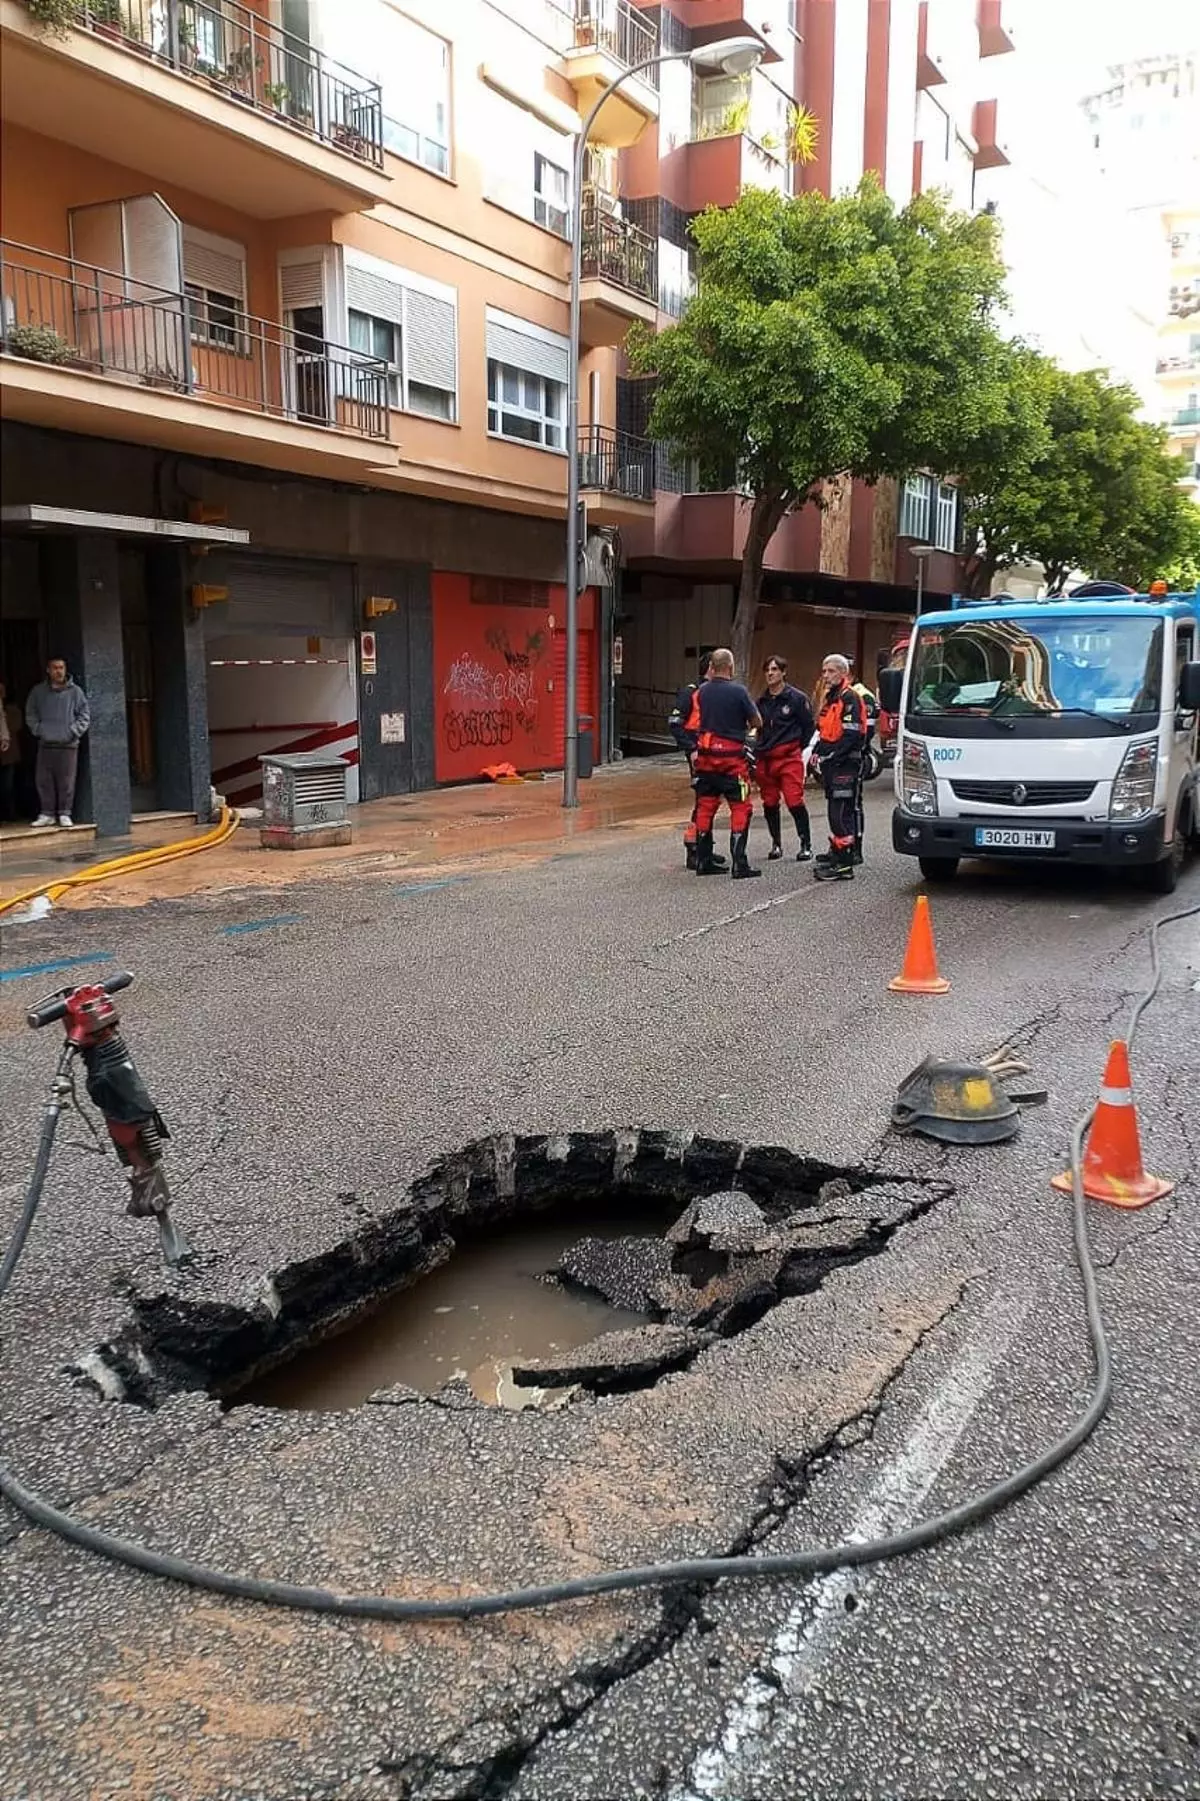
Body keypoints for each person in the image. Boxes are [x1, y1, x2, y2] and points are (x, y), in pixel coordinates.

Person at [686, 647, 762, 879]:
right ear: (730, 667)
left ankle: (703, 861)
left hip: (706, 759)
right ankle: (739, 864)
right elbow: (756, 719)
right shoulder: (738, 691)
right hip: (732, 761)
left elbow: (692, 722)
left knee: (706, 806)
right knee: (741, 807)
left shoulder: (702, 691)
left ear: (711, 667)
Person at [811, 653, 867, 883]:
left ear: (843, 673)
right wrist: (817, 751)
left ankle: (845, 864)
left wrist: (833, 755)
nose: (826, 676)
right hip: (833, 764)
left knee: (841, 813)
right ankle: (838, 854)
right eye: (824, 671)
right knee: (835, 812)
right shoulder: (831, 698)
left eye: (831, 671)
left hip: (845, 764)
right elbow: (825, 731)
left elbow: (852, 734)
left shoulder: (850, 697)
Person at [668, 651, 724, 870]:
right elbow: (675, 723)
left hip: (715, 754)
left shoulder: (715, 693)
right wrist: (691, 749)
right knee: (704, 801)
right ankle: (694, 848)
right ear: (710, 667)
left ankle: (704, 847)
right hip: (699, 755)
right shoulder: (691, 693)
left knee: (711, 800)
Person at [755, 655, 814, 861]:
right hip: (766, 759)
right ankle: (776, 844)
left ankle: (805, 844)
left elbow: (809, 727)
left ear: (783, 672)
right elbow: (757, 728)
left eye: (774, 669)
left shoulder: (796, 699)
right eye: (767, 670)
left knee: (794, 800)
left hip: (788, 757)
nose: (770, 674)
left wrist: (798, 748)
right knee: (769, 802)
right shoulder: (761, 701)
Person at [26, 655, 89, 828]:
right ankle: (47, 814)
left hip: (68, 745)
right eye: (55, 668)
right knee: (44, 781)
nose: (59, 671)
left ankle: (64, 813)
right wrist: (39, 730)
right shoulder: (38, 692)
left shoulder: (76, 692)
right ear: (48, 670)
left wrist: (73, 732)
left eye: (61, 667)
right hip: (46, 744)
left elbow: (84, 716)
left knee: (66, 782)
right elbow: (30, 713)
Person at [849, 667, 879, 865]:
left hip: (855, 757)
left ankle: (856, 848)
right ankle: (842, 845)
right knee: (840, 806)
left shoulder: (863, 695)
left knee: (854, 804)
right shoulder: (839, 694)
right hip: (838, 759)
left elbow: (866, 732)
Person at [0, 678, 23, 822]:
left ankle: (8, 814)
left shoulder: (12, 710)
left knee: (7, 786)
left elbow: (15, 726)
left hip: (8, 754)